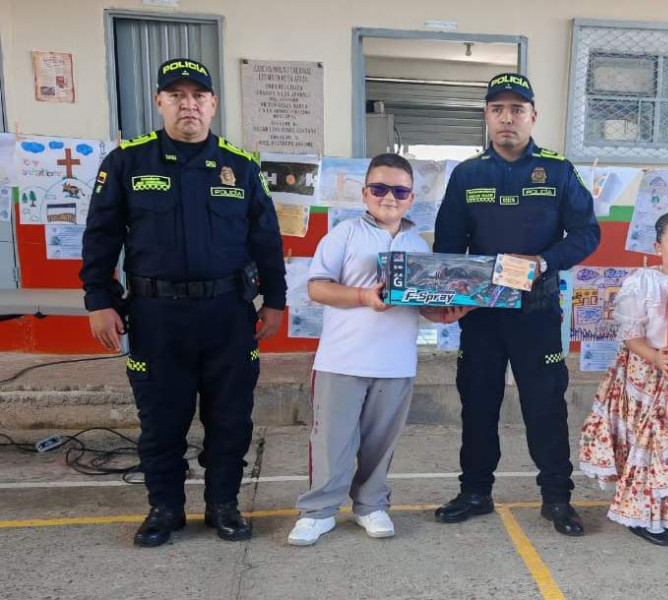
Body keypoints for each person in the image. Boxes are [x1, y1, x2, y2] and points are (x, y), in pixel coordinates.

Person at [80, 58, 286, 547]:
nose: (187, 104)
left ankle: (223, 506)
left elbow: (267, 241)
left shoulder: (241, 166)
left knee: (230, 418)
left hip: (228, 315)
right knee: (160, 419)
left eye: (198, 96)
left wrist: (275, 302)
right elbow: (100, 238)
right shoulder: (128, 161)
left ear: (213, 104)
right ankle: (165, 509)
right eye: (176, 95)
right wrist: (98, 300)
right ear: (160, 102)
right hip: (156, 316)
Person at [432, 73, 601, 536]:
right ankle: (475, 492)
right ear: (487, 116)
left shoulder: (558, 170)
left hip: (537, 313)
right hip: (481, 314)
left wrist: (545, 262)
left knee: (545, 406)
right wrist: (450, 296)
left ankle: (556, 498)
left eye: (517, 109)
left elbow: (588, 234)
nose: (507, 117)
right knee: (478, 405)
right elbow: (449, 244)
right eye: (497, 109)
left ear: (532, 116)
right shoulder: (467, 175)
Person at [287, 154, 450, 546]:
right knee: (331, 442)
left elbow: (425, 304)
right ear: (365, 193)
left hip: (396, 363)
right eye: (379, 188)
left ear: (412, 198)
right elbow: (316, 288)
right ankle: (318, 511)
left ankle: (371, 505)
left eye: (399, 190)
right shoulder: (343, 234)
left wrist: (447, 312)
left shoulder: (417, 245)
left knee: (380, 444)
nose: (389, 197)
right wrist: (362, 295)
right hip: (342, 358)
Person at [579, 211, 668, 546]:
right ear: (658, 246)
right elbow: (630, 334)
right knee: (650, 447)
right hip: (646, 375)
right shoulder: (642, 282)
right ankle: (643, 514)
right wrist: (656, 357)